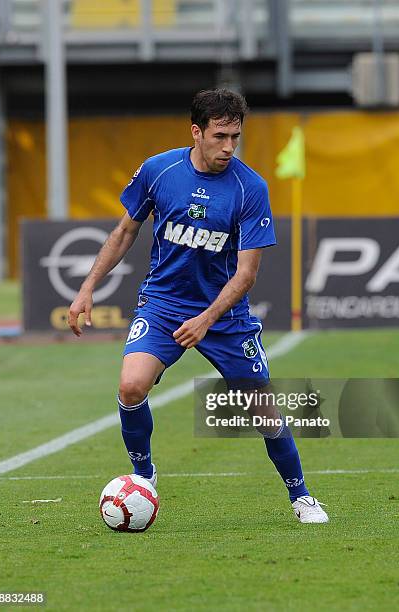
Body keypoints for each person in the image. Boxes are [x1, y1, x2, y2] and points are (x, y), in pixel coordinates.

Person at [68, 88, 328, 524]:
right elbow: (125, 232)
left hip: (224, 316)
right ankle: (143, 477)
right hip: (163, 303)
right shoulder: (159, 170)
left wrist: (206, 319)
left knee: (263, 411)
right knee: (131, 387)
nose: (229, 147)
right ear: (196, 132)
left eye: (236, 138)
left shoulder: (250, 188)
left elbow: (246, 274)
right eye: (220, 136)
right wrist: (88, 286)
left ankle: (301, 496)